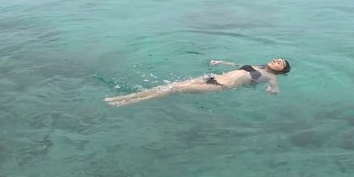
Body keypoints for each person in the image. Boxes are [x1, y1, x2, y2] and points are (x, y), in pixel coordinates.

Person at [104, 58, 291, 106]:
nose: (276, 60)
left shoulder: (272, 77)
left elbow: (275, 89)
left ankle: (127, 102)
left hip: (221, 86)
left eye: (280, 63)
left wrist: (271, 90)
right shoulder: (259, 67)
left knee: (175, 88)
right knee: (168, 86)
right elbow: (238, 66)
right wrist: (221, 62)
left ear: (281, 70)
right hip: (212, 78)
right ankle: (126, 97)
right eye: (276, 59)